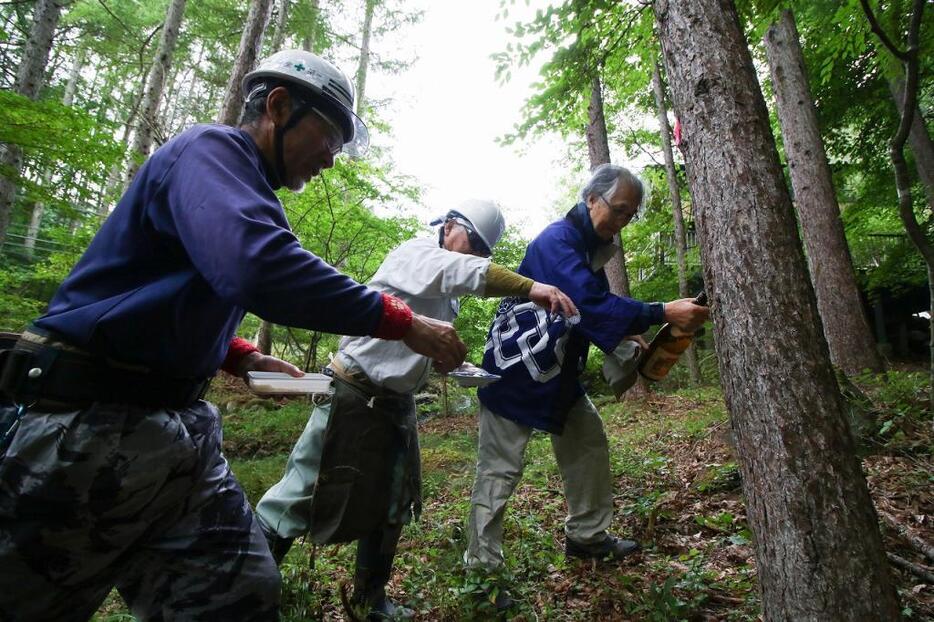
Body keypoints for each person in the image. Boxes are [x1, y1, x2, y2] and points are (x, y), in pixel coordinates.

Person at [0, 49, 466, 621]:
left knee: (240, 597)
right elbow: (257, 268)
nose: (331, 158)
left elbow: (168, 299)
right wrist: (404, 322)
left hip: (180, 437)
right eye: (330, 137)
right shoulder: (210, 151)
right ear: (279, 106)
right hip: (89, 424)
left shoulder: (248, 194)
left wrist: (239, 357)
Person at [255, 199, 578, 620]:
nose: (476, 253)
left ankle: (371, 599)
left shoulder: (447, 287)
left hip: (396, 404)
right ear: (448, 227)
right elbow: (461, 272)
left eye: (484, 249)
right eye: (473, 241)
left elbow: (417, 340)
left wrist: (446, 364)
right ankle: (246, 592)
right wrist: (531, 286)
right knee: (299, 495)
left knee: (393, 501)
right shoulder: (416, 253)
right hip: (353, 392)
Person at [463, 164, 709, 606]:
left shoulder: (590, 248)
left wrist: (630, 337)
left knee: (589, 443)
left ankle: (587, 536)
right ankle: (482, 572)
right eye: (617, 210)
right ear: (591, 198)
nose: (622, 221)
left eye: (630, 215)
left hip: (557, 372)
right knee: (500, 468)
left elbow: (595, 314)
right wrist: (660, 311)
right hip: (515, 368)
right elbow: (589, 306)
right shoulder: (557, 241)